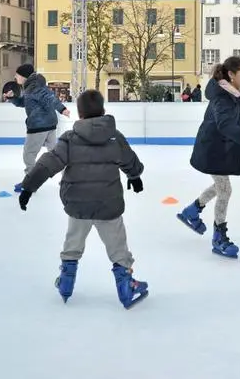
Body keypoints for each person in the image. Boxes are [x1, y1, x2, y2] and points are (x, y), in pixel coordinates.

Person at [16, 89, 148, 308]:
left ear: (80, 113)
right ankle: (126, 287)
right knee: (118, 247)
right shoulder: (115, 137)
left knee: (73, 242)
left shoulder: (70, 139)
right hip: (108, 204)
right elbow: (130, 161)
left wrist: (29, 187)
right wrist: (135, 176)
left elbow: (49, 163)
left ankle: (66, 283)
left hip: (77, 203)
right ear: (103, 110)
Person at [177, 56, 240, 258]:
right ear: (232, 75)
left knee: (220, 187)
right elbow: (224, 123)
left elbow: (239, 106)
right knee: (225, 190)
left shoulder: (229, 92)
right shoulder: (221, 96)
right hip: (212, 149)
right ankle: (219, 238)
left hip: (218, 147)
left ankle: (192, 211)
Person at [4, 64, 70, 176]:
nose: (15, 77)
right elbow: (24, 102)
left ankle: (31, 181)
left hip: (38, 126)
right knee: (55, 155)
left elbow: (49, 98)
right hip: (50, 125)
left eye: (17, 75)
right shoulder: (31, 87)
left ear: (24, 76)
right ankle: (69, 176)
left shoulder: (34, 87)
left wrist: (62, 109)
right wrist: (12, 98)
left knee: (29, 154)